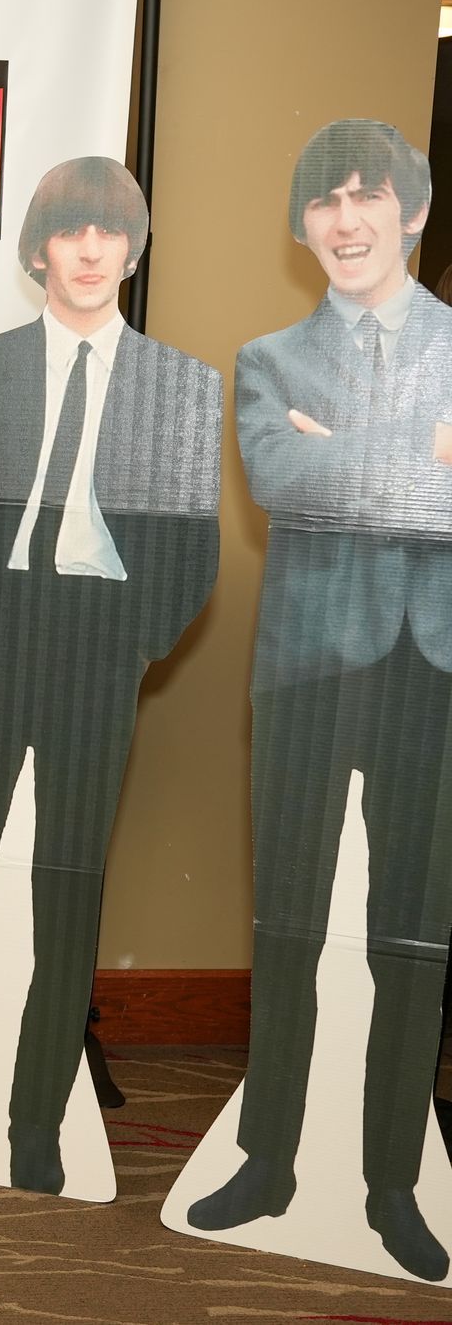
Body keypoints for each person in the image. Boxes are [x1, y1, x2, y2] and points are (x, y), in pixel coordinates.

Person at [0, 158, 222, 1194]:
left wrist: (133, 642)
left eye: (110, 232)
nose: (90, 249)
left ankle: (36, 1125)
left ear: (131, 249)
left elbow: (192, 550)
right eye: (70, 231)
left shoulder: (179, 388)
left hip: (95, 647)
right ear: (38, 250)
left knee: (67, 891)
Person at [187, 120, 452, 1282]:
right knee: (287, 926)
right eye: (324, 201)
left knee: (413, 937)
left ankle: (393, 1178)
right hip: (303, 666)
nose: (346, 219)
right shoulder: (270, 360)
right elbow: (282, 479)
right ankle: (270, 1157)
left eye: (366, 196)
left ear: (412, 210)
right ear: (303, 227)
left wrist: (348, 455)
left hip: (434, 669)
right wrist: (421, 460)